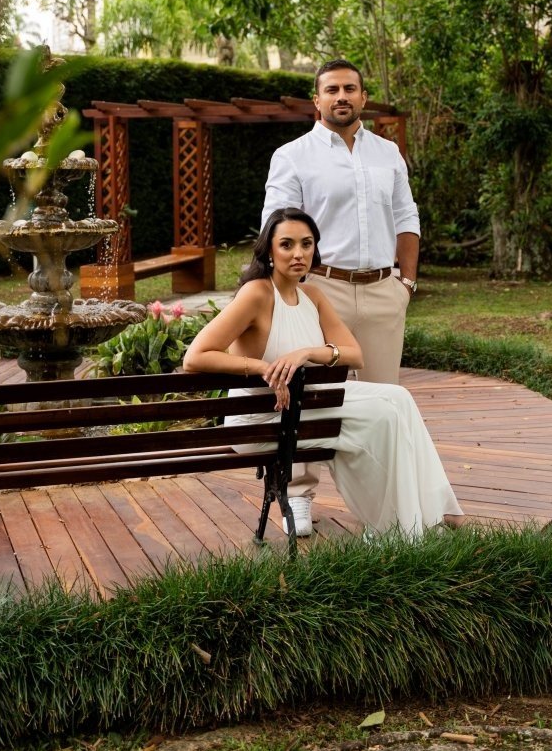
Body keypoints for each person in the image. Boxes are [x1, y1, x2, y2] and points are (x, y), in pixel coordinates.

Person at [182, 208, 463, 539]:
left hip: (302, 406)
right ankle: (396, 528)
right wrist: (262, 368)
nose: (298, 253)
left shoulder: (312, 295)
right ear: (269, 251)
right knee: (382, 418)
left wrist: (308, 353)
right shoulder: (257, 294)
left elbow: (355, 354)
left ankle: (429, 511)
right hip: (261, 418)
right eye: (286, 244)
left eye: (306, 244)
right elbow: (195, 357)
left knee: (399, 398)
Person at [261, 58, 420, 533]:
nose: (341, 96)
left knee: (384, 404)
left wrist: (406, 284)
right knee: (308, 395)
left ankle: (384, 507)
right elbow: (276, 227)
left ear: (363, 97)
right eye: (331, 89)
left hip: (382, 290)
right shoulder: (292, 156)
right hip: (319, 289)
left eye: (350, 88)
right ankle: (297, 495)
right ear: (317, 100)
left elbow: (406, 217)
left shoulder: (388, 153)